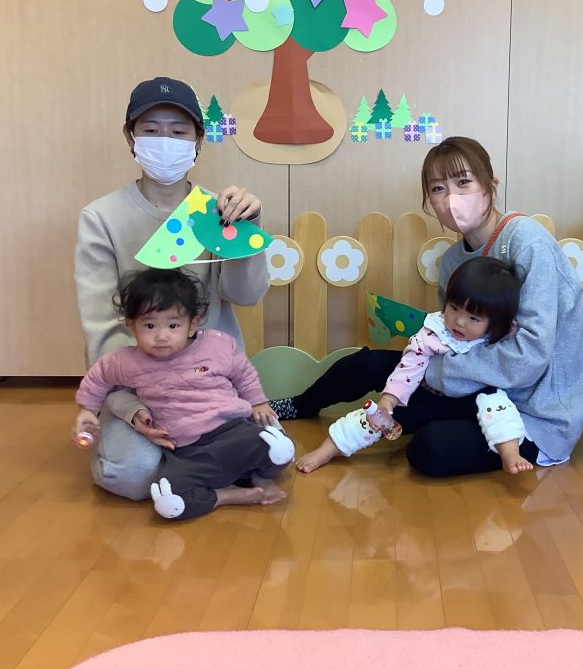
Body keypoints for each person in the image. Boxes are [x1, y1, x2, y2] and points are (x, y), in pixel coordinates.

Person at [270, 136, 583, 477]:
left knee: (430, 449)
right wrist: (425, 366)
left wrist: (438, 374)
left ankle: (442, 426)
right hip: (469, 384)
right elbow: (452, 338)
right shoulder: (453, 260)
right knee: (366, 365)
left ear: (490, 185)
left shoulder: (527, 242)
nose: (451, 199)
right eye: (438, 189)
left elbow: (530, 356)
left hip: (532, 411)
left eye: (463, 182)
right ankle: (299, 405)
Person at [73, 77, 270, 501]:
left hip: (209, 388)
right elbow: (102, 329)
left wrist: (248, 231)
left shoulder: (218, 210)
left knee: (268, 456)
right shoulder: (100, 217)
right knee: (131, 476)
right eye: (151, 129)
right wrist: (131, 409)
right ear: (130, 136)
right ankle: (192, 471)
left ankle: (192, 472)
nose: (165, 141)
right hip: (140, 389)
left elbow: (247, 295)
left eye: (179, 131)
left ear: (198, 140)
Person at [75, 268, 294, 520]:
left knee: (276, 446)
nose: (161, 336)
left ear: (193, 324)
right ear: (132, 327)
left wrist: (258, 402)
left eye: (173, 325)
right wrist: (87, 410)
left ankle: (261, 479)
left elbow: (244, 372)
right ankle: (227, 495)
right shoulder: (126, 361)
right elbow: (98, 377)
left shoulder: (216, 345)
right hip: (186, 451)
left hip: (232, 431)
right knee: (170, 502)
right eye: (149, 325)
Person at [296, 257, 534, 474]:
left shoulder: (501, 335)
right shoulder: (434, 333)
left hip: (473, 402)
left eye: (473, 318)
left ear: (494, 323)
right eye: (453, 308)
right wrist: (389, 400)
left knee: (498, 404)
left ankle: (509, 451)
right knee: (376, 418)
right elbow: (408, 368)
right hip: (431, 395)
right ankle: (328, 449)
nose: (459, 322)